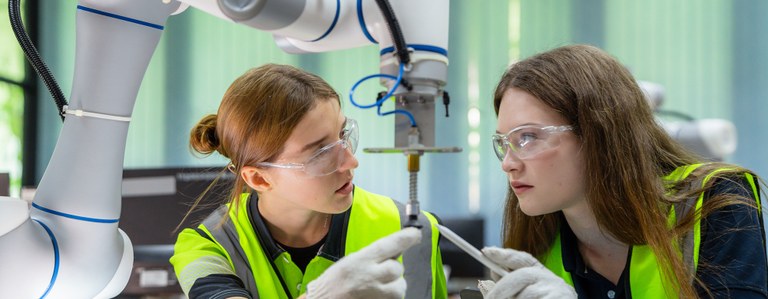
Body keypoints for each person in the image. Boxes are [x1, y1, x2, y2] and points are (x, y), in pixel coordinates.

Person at [479, 44, 767, 298]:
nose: (508, 163)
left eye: (527, 137)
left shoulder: (717, 200)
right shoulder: (535, 246)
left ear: (597, 135)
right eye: (504, 143)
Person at [169, 64, 447, 299]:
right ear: (259, 178)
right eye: (319, 153)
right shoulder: (208, 246)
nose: (351, 161)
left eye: (342, 135)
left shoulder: (411, 229)